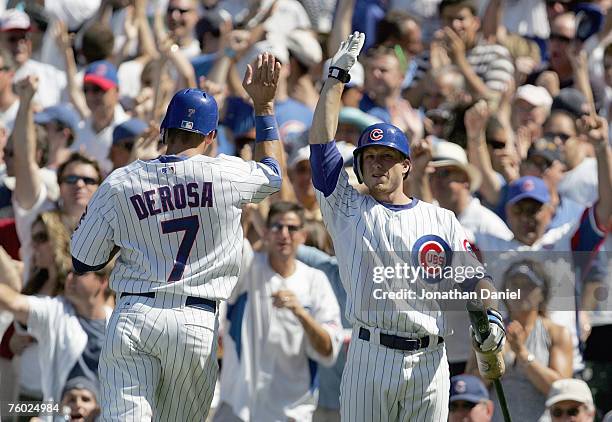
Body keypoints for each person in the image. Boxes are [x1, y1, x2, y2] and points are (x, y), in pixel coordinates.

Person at [70, 53, 283, 421]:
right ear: (211, 138)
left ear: (163, 131)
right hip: (196, 321)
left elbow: (83, 260)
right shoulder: (226, 174)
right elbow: (273, 172)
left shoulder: (122, 180)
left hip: (134, 313)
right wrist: (263, 106)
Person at [308, 32, 505, 421]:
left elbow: (475, 281)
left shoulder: (440, 218)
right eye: (370, 157)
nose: (378, 164)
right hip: (370, 353)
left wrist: (493, 316)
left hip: (429, 358)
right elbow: (321, 146)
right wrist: (335, 80)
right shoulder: (347, 206)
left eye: (387, 157)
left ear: (406, 165)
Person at [215, 202, 342, 421]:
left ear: (303, 235)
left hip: (292, 413)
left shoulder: (316, 281)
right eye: (277, 227)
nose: (284, 234)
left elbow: (328, 349)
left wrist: (301, 314)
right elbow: (232, 251)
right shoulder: (248, 268)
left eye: (292, 228)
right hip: (238, 408)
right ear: (266, 233)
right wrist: (245, 217)